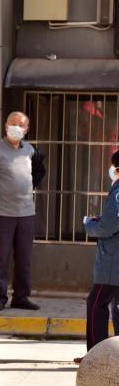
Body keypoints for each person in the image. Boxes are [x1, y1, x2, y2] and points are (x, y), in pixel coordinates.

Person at [0, 111, 46, 311]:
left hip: (26, 213)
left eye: (21, 124)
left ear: (27, 129)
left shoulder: (31, 151)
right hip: (1, 213)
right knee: (0, 258)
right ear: (5, 126)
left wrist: (27, 185)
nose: (16, 127)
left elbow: (38, 172)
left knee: (24, 258)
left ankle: (21, 297)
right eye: (12, 123)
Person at [78, 150, 119, 364]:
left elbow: (109, 226)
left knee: (96, 304)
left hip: (113, 260)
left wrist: (90, 224)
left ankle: (96, 356)